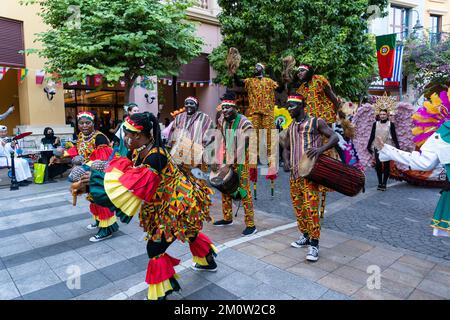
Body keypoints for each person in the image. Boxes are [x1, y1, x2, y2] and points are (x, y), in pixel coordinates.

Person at [86, 112, 218, 300]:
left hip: (178, 205)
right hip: (163, 202)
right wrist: (98, 167)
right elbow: (127, 168)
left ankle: (161, 293)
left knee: (154, 249)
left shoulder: (156, 157)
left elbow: (133, 185)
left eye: (128, 134)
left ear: (138, 135)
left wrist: (96, 183)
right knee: (190, 232)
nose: (125, 138)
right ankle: (208, 262)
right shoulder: (140, 150)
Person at [282, 94, 339, 261]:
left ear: (301, 106)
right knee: (299, 208)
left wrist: (321, 150)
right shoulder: (291, 125)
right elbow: (285, 147)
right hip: (294, 175)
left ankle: (314, 244)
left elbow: (335, 137)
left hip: (310, 174)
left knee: (311, 209)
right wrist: (285, 161)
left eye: (292, 105)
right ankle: (305, 236)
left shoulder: (316, 122)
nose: (288, 108)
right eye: (288, 105)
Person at [57, 111, 118, 242]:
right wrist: (65, 153)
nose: (84, 126)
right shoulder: (81, 136)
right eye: (81, 123)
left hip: (97, 173)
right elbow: (77, 150)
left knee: (101, 199)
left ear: (93, 123)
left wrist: (84, 166)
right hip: (87, 172)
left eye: (87, 123)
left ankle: (106, 229)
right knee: (92, 198)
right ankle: (99, 221)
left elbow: (102, 159)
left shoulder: (99, 138)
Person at [213, 91, 257, 236]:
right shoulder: (223, 120)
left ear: (235, 108)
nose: (224, 110)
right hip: (226, 158)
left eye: (227, 107)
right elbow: (219, 135)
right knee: (224, 188)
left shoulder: (245, 122)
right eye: (223, 107)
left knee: (244, 192)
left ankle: (251, 224)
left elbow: (243, 145)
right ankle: (227, 218)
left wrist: (229, 164)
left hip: (242, 161)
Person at [233, 63, 279, 165]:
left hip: (268, 112)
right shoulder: (250, 81)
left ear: (262, 69)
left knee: (270, 134)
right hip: (255, 112)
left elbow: (279, 87)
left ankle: (272, 158)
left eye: (258, 66)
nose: (255, 68)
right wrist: (234, 72)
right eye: (255, 66)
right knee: (254, 135)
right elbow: (238, 82)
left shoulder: (269, 81)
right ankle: (254, 157)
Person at [167, 96, 214, 176]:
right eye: (186, 103)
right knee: (180, 176)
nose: (188, 105)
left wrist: (203, 148)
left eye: (191, 103)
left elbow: (211, 134)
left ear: (196, 106)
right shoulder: (179, 117)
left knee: (196, 178)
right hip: (179, 152)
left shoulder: (204, 118)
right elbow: (172, 132)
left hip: (196, 153)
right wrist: (172, 145)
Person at [367, 108, 400, 191]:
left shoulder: (391, 124)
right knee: (378, 165)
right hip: (377, 146)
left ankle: (384, 183)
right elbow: (372, 135)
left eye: (384, 114)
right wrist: (368, 145)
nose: (382, 116)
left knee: (386, 165)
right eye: (381, 114)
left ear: (387, 115)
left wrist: (397, 146)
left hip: (386, 147)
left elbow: (394, 136)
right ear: (379, 115)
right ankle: (380, 182)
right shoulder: (375, 124)